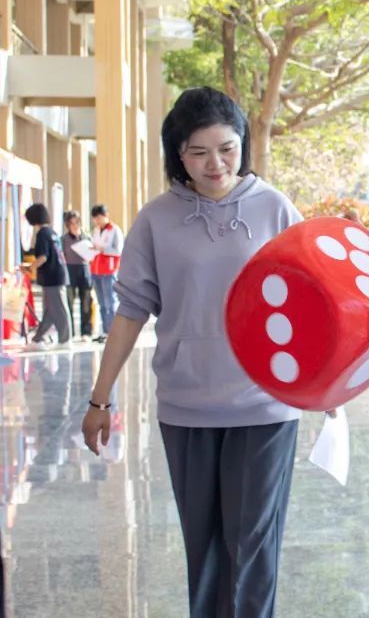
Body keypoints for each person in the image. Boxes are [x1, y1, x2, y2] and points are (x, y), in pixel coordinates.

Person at [81, 86, 308, 617]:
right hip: (187, 407)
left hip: (265, 405)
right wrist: (99, 399)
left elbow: (309, 300)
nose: (215, 164)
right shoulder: (156, 219)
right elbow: (131, 310)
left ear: (242, 143)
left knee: (251, 545)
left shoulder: (275, 208)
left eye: (227, 148)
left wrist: (324, 381)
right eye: (198, 152)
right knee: (204, 549)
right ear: (177, 155)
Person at [23, 203, 70, 350]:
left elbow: (43, 257)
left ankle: (65, 340)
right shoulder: (52, 232)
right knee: (50, 310)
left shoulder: (42, 234)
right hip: (57, 274)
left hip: (52, 277)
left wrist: (29, 268)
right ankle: (38, 340)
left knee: (59, 309)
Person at [89, 203, 123, 343]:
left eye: (99, 217)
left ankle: (115, 333)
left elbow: (119, 250)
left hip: (109, 270)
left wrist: (103, 249)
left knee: (111, 302)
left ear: (105, 216)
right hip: (96, 269)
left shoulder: (114, 230)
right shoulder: (96, 230)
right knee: (102, 303)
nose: (97, 221)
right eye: (95, 218)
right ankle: (105, 331)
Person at [61, 210, 95, 341]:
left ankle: (86, 331)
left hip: (84, 269)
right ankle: (70, 332)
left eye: (77, 223)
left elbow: (93, 255)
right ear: (68, 225)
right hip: (70, 270)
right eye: (72, 223)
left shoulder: (86, 237)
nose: (75, 226)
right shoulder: (64, 239)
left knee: (86, 302)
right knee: (69, 301)